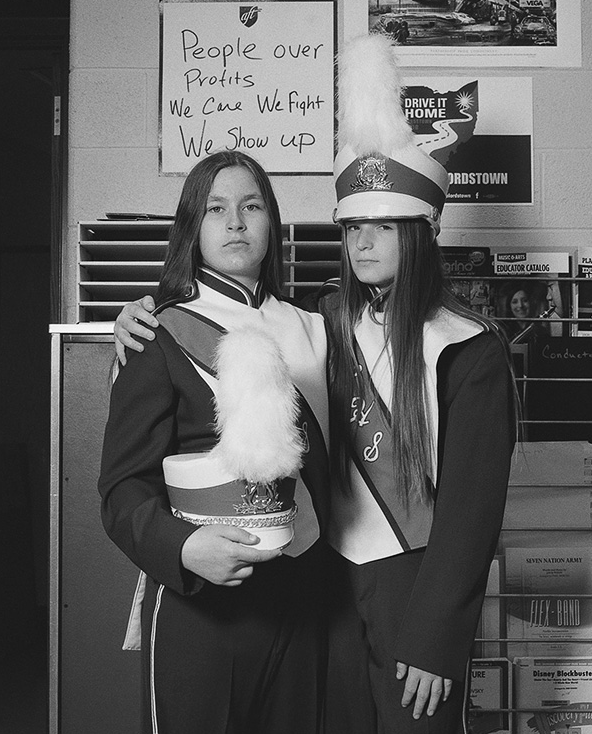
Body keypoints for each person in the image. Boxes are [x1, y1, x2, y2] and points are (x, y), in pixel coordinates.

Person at [114, 36, 516, 733]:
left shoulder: (424, 340)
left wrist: (436, 635)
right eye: (353, 225)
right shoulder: (287, 321)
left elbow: (470, 511)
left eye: (383, 224)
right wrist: (134, 314)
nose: (363, 242)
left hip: (362, 601)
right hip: (276, 601)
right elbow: (124, 487)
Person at [99, 150, 330, 734]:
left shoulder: (316, 327)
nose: (234, 223)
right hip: (200, 605)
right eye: (215, 209)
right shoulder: (158, 331)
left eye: (250, 206)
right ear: (191, 229)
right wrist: (182, 548)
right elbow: (122, 490)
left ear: (271, 223)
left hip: (302, 602)